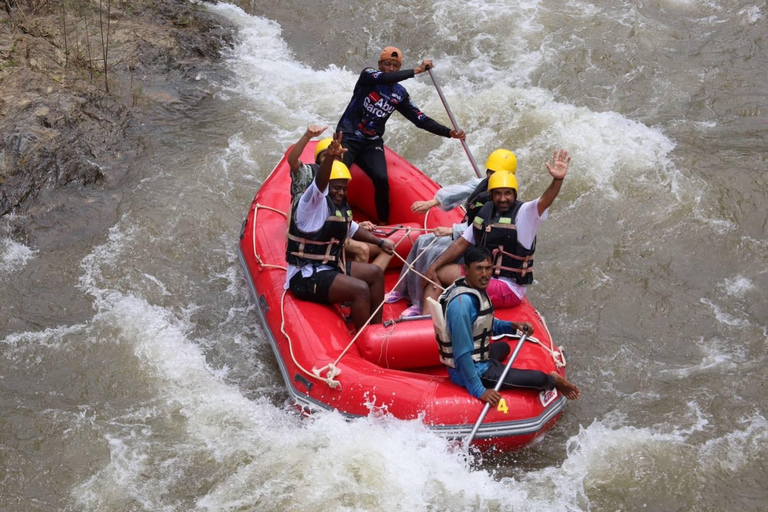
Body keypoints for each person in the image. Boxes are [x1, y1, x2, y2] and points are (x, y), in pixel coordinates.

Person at [423, 149, 572, 313]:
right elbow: (461, 243)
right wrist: (433, 267)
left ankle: (426, 325)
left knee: (443, 273)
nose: (503, 199)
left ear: (515, 194)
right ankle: (425, 323)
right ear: (491, 195)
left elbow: (545, 200)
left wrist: (557, 179)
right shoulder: (485, 212)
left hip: (508, 288)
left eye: (508, 193)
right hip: (487, 277)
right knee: (437, 271)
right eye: (498, 194)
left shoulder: (525, 214)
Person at [433, 246, 580, 404]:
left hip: (477, 357)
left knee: (504, 348)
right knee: (538, 378)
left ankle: (492, 361)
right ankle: (552, 380)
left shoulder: (471, 286)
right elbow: (462, 353)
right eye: (479, 269)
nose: (485, 275)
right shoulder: (462, 305)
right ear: (466, 270)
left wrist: (511, 326)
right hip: (470, 371)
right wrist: (479, 390)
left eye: (488, 268)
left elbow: (483, 323)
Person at [336, 46, 466, 223]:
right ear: (380, 64)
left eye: (395, 65)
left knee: (382, 179)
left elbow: (420, 120)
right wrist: (417, 70)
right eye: (387, 64)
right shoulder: (369, 76)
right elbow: (385, 77)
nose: (391, 68)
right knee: (339, 175)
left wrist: (449, 132)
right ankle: (336, 214)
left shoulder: (399, 94)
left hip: (371, 142)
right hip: (349, 135)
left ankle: (382, 222)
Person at [386, 149, 518, 316]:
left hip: (475, 243)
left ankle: (419, 303)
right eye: (490, 172)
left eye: (496, 173)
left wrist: (451, 230)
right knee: (422, 241)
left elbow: (485, 228)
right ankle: (402, 289)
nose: (492, 177)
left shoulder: (504, 201)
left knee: (433, 252)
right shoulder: (484, 184)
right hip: (464, 233)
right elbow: (460, 190)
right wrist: (432, 202)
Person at [285, 132, 395, 329]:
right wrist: (330, 157)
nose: (341, 193)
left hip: (331, 266)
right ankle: (365, 338)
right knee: (360, 288)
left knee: (375, 273)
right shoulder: (310, 204)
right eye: (336, 188)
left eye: (344, 189)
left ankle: (376, 330)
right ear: (327, 186)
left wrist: (380, 243)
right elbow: (319, 185)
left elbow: (352, 228)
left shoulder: (339, 205)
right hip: (305, 275)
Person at [287, 125, 393, 271]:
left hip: (331, 229)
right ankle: (356, 281)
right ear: (319, 160)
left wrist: (356, 225)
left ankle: (366, 278)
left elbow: (337, 214)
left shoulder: (339, 182)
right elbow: (292, 161)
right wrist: (307, 136)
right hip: (310, 232)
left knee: (388, 246)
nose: (333, 159)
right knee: (363, 249)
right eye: (328, 156)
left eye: (337, 156)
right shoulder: (309, 174)